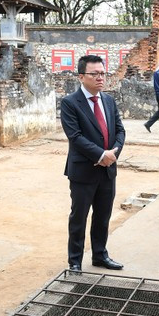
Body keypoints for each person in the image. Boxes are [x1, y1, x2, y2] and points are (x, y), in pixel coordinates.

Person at [60, 54, 126, 272]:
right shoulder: (70, 103)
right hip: (84, 171)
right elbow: (75, 137)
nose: (100, 78)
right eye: (94, 74)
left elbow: (120, 130)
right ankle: (75, 260)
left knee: (103, 216)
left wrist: (113, 154)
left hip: (108, 170)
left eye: (102, 73)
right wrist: (100, 155)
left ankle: (100, 255)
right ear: (81, 76)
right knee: (79, 217)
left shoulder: (108, 100)